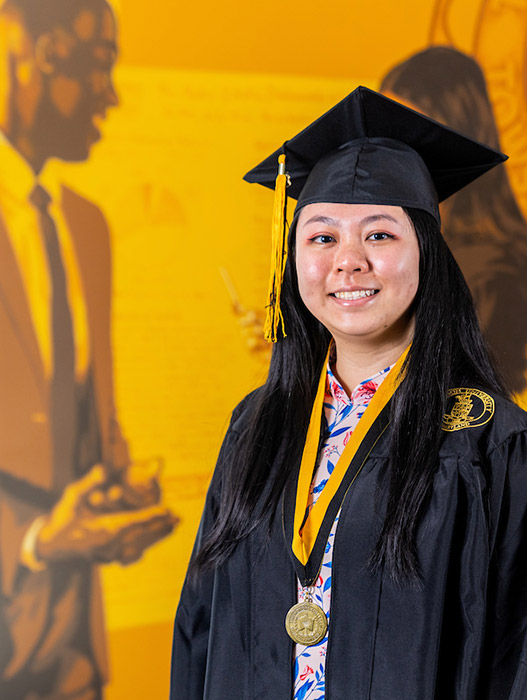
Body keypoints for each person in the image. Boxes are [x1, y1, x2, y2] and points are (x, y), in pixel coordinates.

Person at [171, 87, 527, 699]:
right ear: (295, 259)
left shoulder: (494, 446)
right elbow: (200, 631)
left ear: (427, 255)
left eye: (381, 236)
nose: (348, 262)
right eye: (322, 237)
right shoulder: (257, 425)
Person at [0, 1, 177, 697]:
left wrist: (115, 490)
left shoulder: (87, 229)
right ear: (40, 58)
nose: (112, 95)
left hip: (73, 646)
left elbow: (81, 418)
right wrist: (36, 543)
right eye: (100, 67)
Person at [381, 47, 527, 393]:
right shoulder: (395, 232)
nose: (392, 150)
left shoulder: (493, 270)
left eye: (410, 132)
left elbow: (459, 393)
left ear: (456, 133)